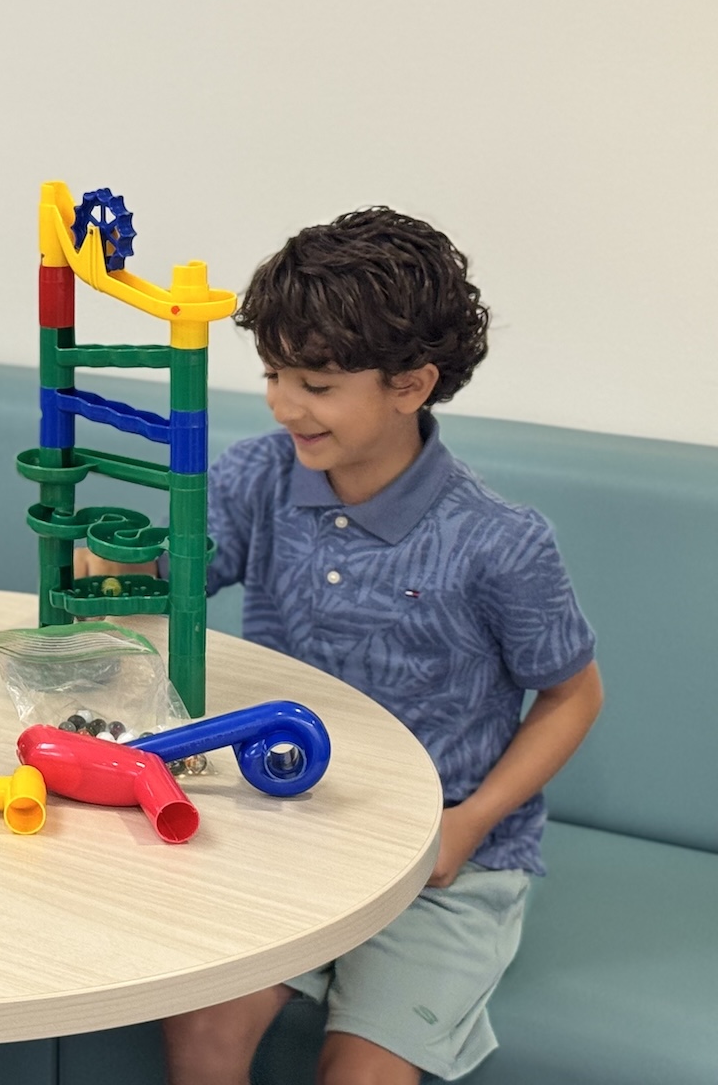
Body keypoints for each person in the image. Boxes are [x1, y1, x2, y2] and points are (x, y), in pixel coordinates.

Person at [79, 208, 603, 1085]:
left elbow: (574, 695)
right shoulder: (260, 476)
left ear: (410, 385)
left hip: (446, 864)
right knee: (202, 1019)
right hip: (296, 827)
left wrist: (466, 824)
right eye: (274, 373)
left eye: (316, 384)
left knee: (360, 1075)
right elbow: (161, 589)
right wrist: (116, 559)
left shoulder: (501, 543)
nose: (285, 404)